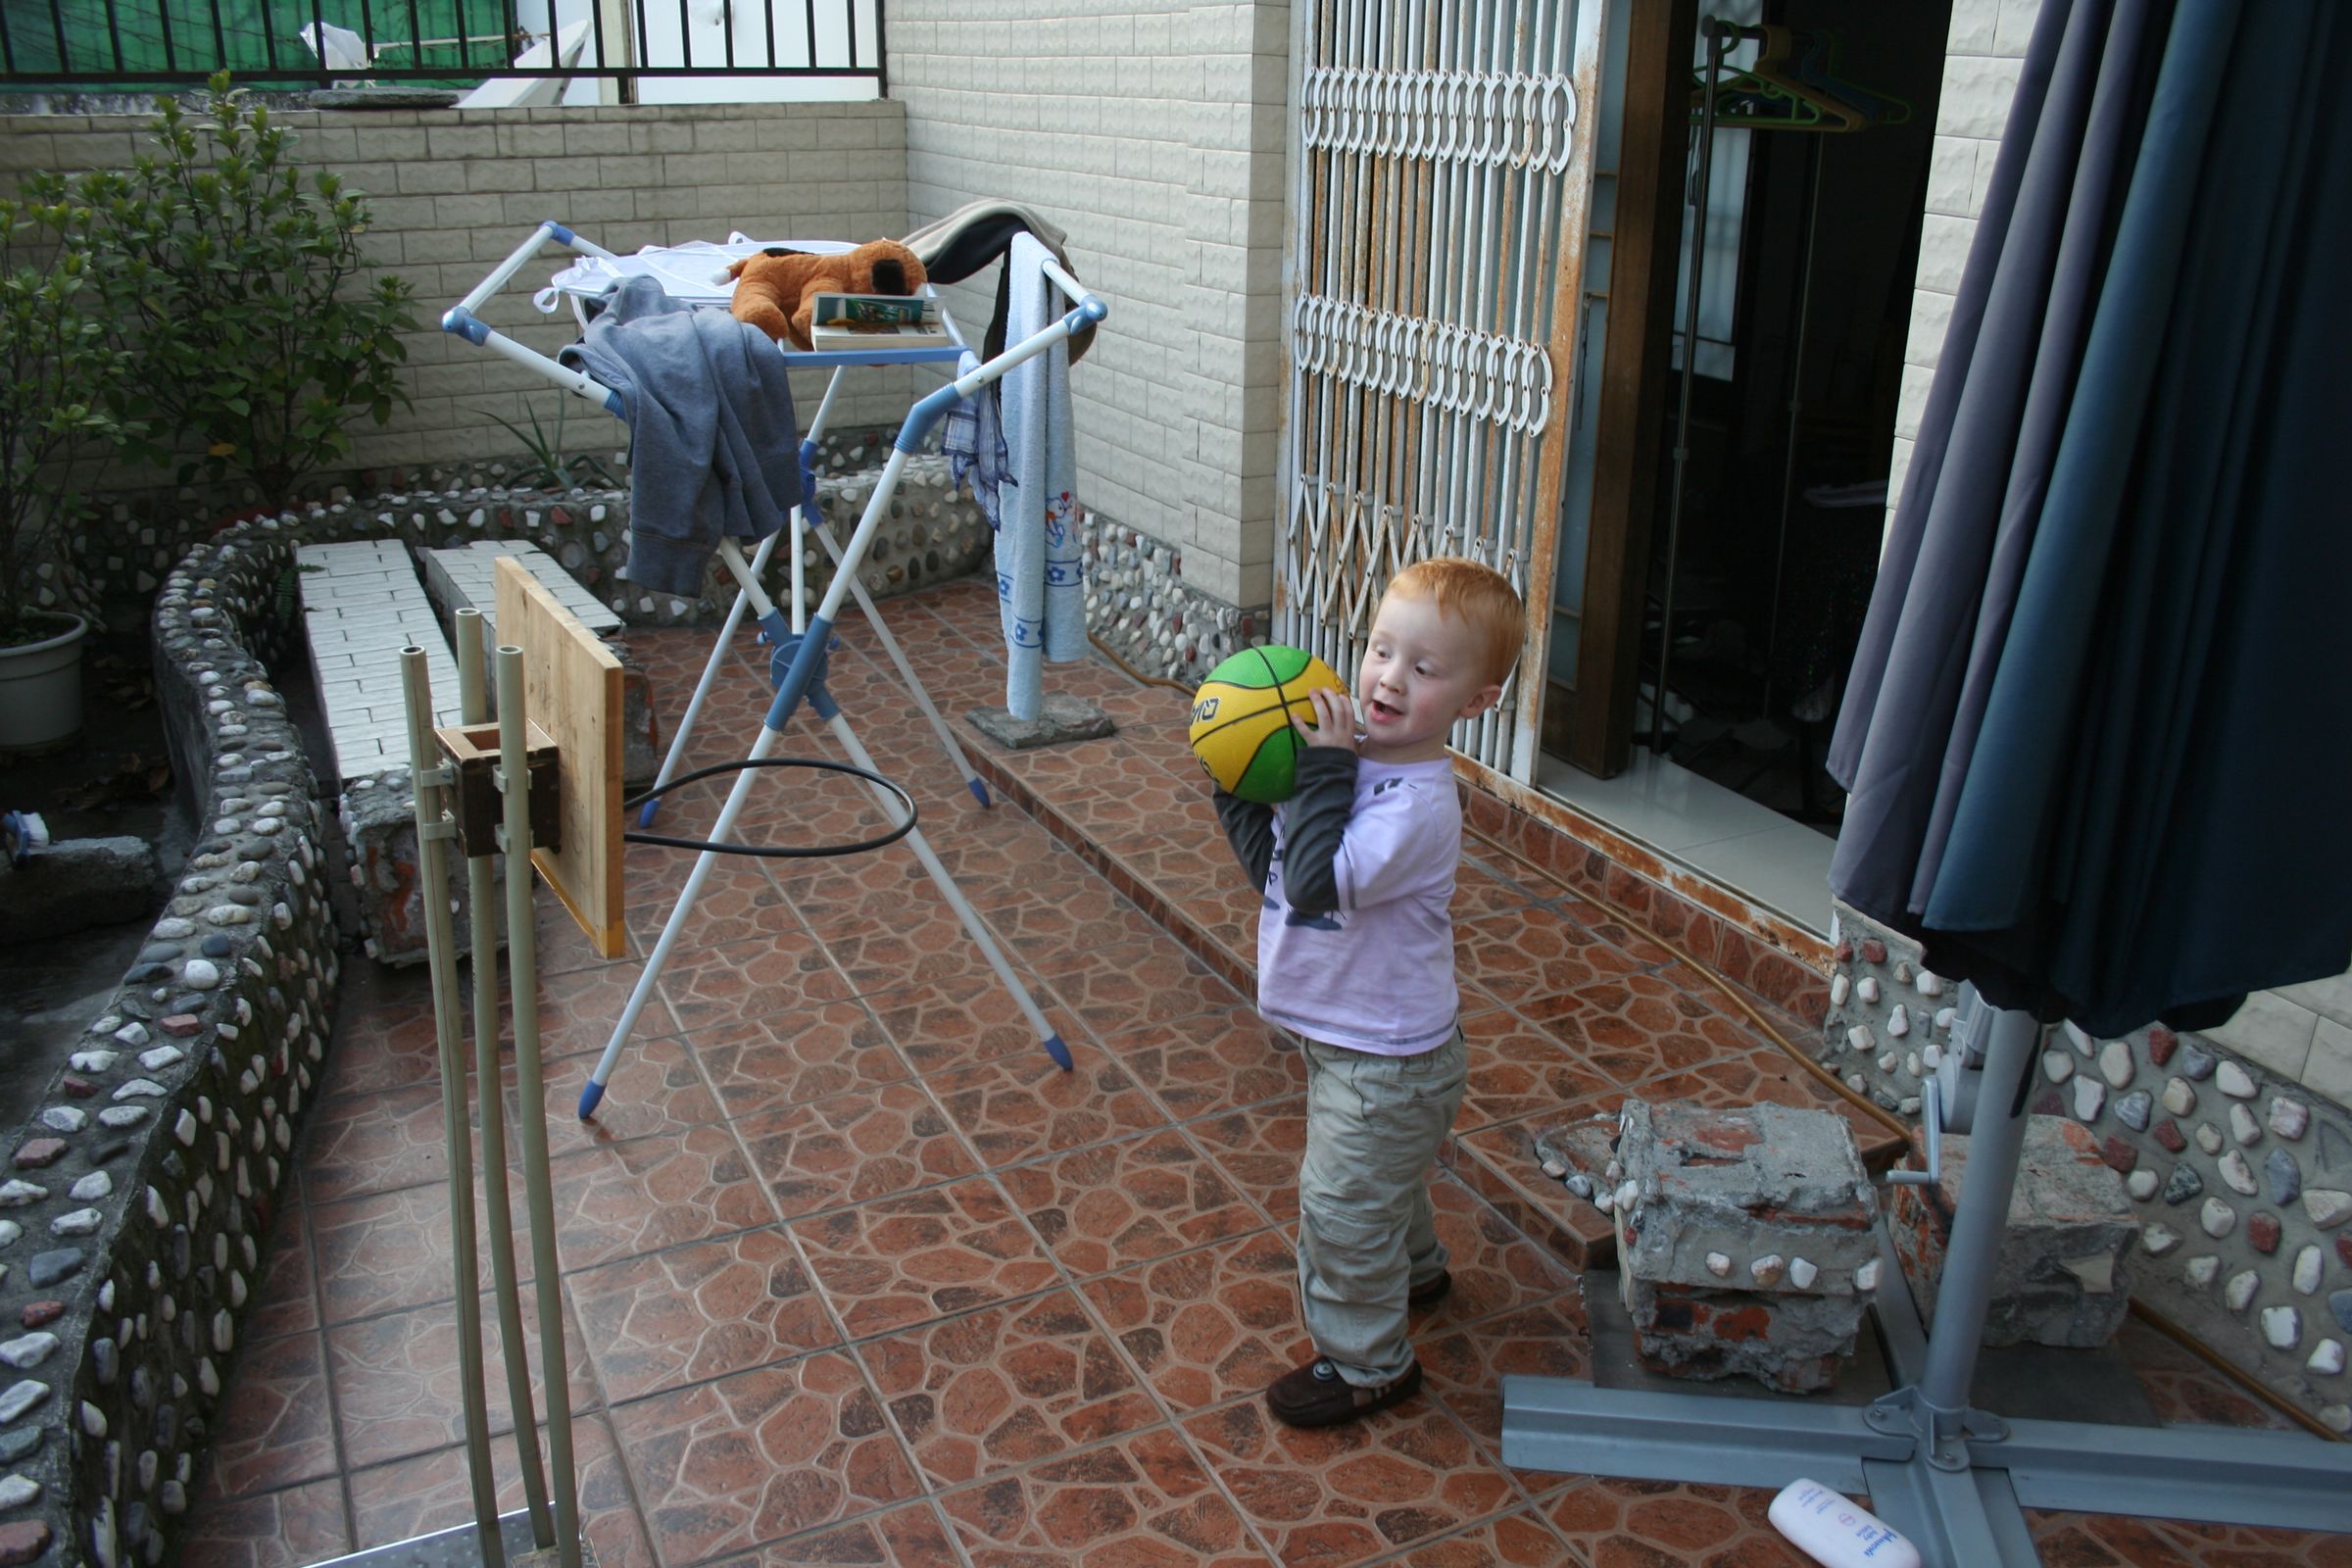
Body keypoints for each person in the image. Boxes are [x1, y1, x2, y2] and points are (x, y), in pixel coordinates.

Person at [1210, 557, 1525, 1427]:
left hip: (1390, 1059)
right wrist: (1236, 786)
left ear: (1476, 701)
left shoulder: (1412, 805)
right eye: (1382, 651)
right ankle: (1417, 1275)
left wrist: (1318, 774)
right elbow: (1281, 876)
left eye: (1425, 669)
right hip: (1356, 1040)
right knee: (1386, 1180)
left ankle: (1368, 1364)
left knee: (1343, 1208)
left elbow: (1316, 883)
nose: (1389, 678)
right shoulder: (1345, 766)